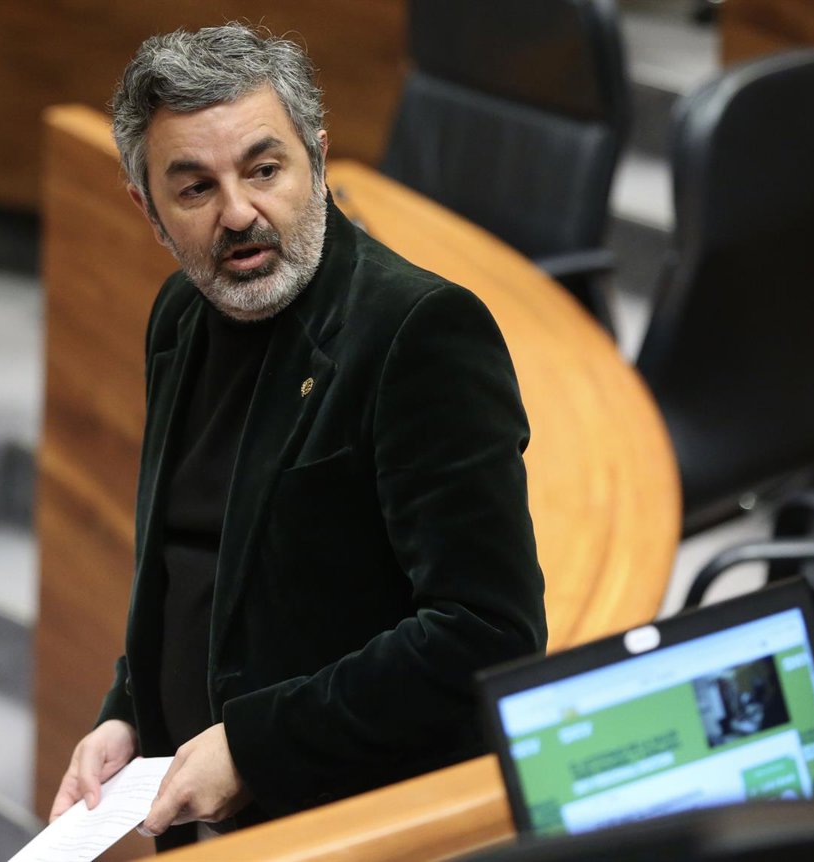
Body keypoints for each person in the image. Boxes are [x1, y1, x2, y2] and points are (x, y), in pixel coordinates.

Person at [49, 23, 547, 849]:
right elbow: (189, 563)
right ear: (148, 210)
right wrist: (128, 712)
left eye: (264, 169)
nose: (239, 212)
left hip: (354, 822)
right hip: (206, 816)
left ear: (316, 157)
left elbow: (487, 633)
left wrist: (255, 745)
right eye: (195, 188)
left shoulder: (419, 332)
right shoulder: (178, 317)